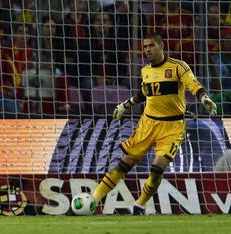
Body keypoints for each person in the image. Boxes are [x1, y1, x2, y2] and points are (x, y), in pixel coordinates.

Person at [90, 32, 217, 215]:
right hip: (148, 124)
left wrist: (204, 97)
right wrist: (125, 105)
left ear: (161, 46)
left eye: (151, 46)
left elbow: (193, 83)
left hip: (172, 127)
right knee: (124, 163)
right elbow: (144, 93)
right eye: (145, 47)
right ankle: (94, 200)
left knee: (157, 167)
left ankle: (140, 205)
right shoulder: (146, 70)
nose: (147, 50)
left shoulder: (177, 67)